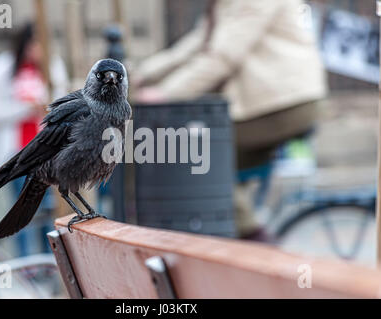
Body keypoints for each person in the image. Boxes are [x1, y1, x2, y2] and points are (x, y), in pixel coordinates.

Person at [133, 0, 328, 241]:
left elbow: (222, 58)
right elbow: (196, 45)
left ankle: (256, 243)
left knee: (198, 154)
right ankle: (237, 227)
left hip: (283, 104)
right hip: (264, 104)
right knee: (216, 174)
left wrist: (165, 94)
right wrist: (140, 74)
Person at [0, 23, 69, 255]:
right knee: (21, 209)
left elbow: (63, 105)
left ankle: (47, 261)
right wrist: (25, 108)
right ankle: (25, 263)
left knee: (47, 209)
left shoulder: (53, 67)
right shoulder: (3, 68)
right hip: (16, 153)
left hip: (47, 153)